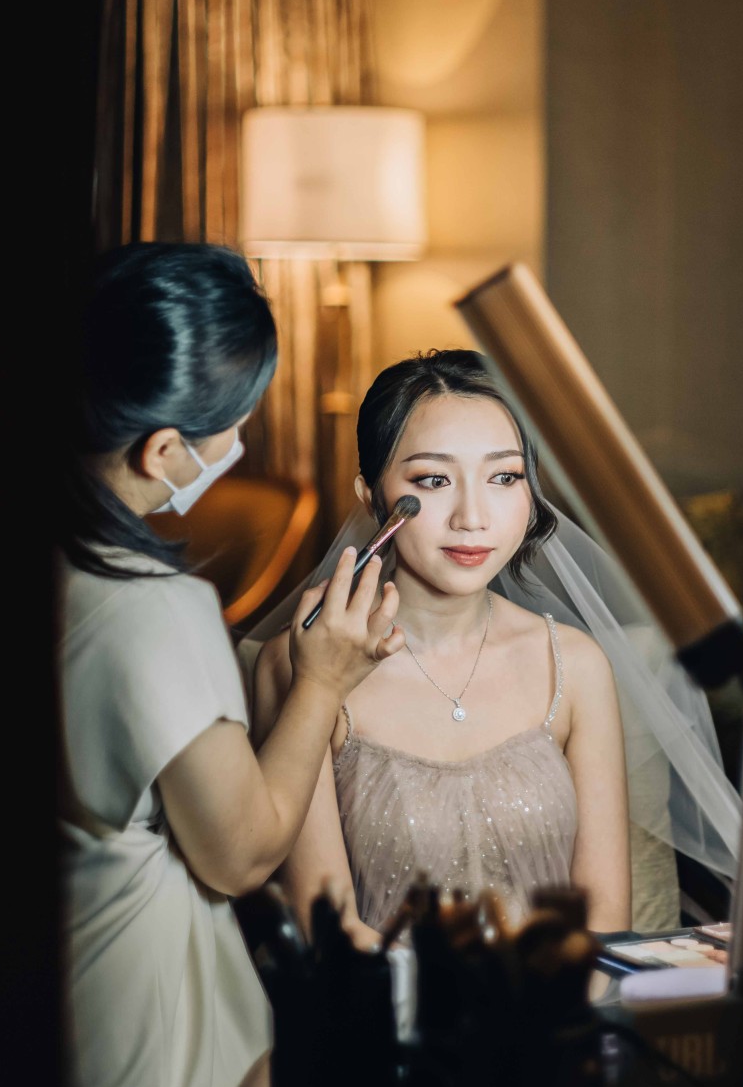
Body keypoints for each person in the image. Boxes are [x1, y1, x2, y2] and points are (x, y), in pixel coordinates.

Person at [59, 243, 403, 1087]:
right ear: (163, 451)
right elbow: (241, 851)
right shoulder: (150, 609)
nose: (242, 443)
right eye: (234, 425)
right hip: (128, 1023)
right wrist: (323, 680)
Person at [253, 351, 634, 939]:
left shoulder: (576, 665)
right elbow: (328, 929)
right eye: (433, 480)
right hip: (381, 997)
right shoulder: (300, 665)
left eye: (504, 477)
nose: (472, 517)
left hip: (561, 995)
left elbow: (605, 917)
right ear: (372, 496)